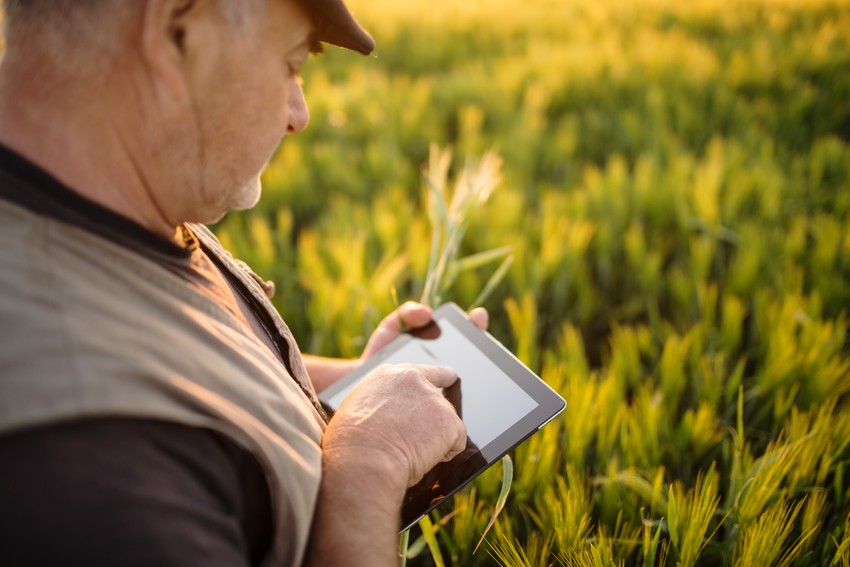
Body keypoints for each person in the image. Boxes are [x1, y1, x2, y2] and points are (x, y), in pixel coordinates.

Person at [0, 0, 487, 565]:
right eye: (292, 64)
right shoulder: (92, 465)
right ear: (178, 33)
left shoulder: (111, 196)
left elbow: (182, 362)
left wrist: (342, 389)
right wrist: (367, 467)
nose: (299, 113)